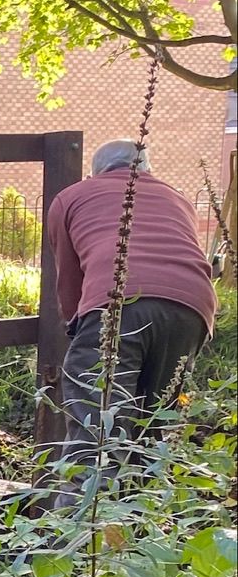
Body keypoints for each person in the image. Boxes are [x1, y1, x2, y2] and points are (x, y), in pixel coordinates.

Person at [46, 141, 215, 488]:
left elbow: (69, 283)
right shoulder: (176, 197)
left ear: (95, 173)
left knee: (95, 439)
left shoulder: (72, 197)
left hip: (117, 305)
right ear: (147, 170)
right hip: (191, 309)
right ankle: (137, 531)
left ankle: (80, 537)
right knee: (149, 429)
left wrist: (78, 328)